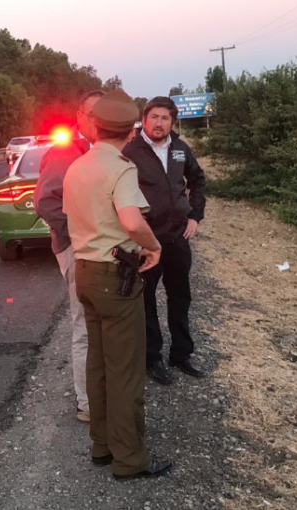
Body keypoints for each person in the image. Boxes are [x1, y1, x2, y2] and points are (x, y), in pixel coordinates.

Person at [63, 90, 172, 479]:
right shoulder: (121, 168)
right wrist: (153, 245)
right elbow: (130, 220)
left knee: (99, 365)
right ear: (130, 131)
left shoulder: (77, 167)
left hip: (86, 274)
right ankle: (130, 459)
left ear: (95, 126)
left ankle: (102, 444)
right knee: (125, 369)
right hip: (116, 277)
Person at [123, 97, 207, 385]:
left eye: (165, 118)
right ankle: (152, 358)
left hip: (177, 238)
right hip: (147, 241)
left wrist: (195, 216)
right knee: (146, 301)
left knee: (180, 296)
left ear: (173, 121)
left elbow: (197, 180)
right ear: (144, 119)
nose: (159, 123)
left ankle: (181, 355)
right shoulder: (130, 151)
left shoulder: (180, 149)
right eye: (154, 117)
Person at [33, 90, 105, 423]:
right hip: (78, 249)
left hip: (100, 249)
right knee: (84, 326)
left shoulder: (102, 151)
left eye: (103, 113)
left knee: (101, 324)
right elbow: (45, 203)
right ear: (79, 117)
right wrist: (76, 237)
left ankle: (101, 391)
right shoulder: (65, 153)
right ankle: (88, 403)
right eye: (91, 114)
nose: (97, 120)